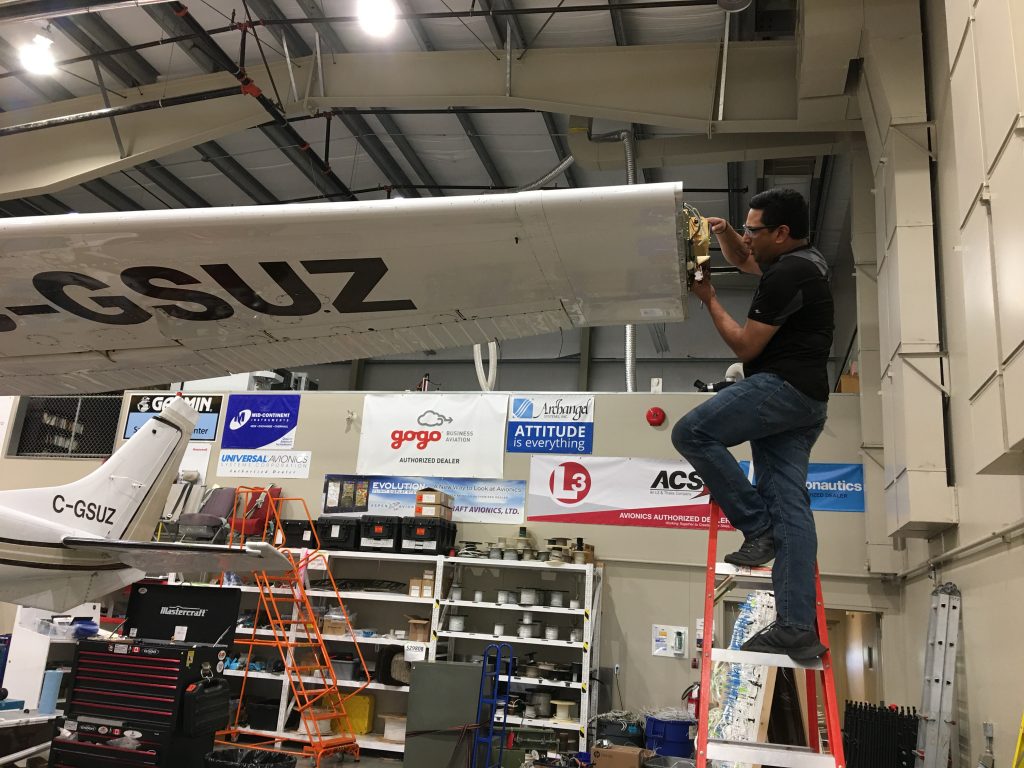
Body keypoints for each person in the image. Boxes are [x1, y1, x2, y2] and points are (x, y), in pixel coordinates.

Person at [671, 188, 834, 661]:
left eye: (753, 229)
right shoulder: (806, 261)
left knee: (691, 432)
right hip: (807, 404)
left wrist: (708, 298)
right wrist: (723, 235)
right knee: (791, 506)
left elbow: (745, 347)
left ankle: (755, 525)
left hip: (782, 389)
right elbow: (745, 260)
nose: (745, 235)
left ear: (781, 234)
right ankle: (796, 629)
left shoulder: (790, 273)